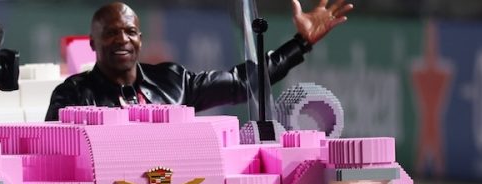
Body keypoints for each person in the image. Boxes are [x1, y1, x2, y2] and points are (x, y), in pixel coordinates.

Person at [45, 0, 354, 121]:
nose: (122, 40)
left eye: (130, 32)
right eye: (111, 33)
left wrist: (300, 43)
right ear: (93, 43)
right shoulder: (72, 94)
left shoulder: (173, 82)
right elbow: (56, 158)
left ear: (140, 39)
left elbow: (242, 83)